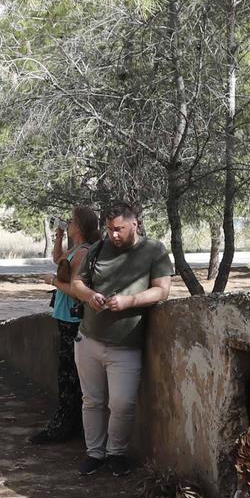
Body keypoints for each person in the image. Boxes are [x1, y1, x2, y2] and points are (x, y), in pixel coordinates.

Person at [69, 201, 174, 477]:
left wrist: (130, 301)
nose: (113, 234)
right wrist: (89, 296)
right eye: (109, 229)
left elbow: (162, 290)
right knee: (91, 400)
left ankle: (116, 453)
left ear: (135, 224)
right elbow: (77, 283)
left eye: (119, 229)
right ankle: (94, 453)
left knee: (123, 403)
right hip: (89, 338)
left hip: (126, 344)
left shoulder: (154, 250)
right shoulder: (97, 249)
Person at [30, 204, 100, 444]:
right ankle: (69, 424)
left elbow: (76, 290)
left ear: (79, 227)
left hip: (73, 320)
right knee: (67, 372)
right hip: (65, 318)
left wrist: (52, 281)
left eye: (70, 222)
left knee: (70, 375)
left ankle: (64, 426)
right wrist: (58, 236)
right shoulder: (77, 249)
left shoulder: (83, 252)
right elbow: (58, 258)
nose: (67, 224)